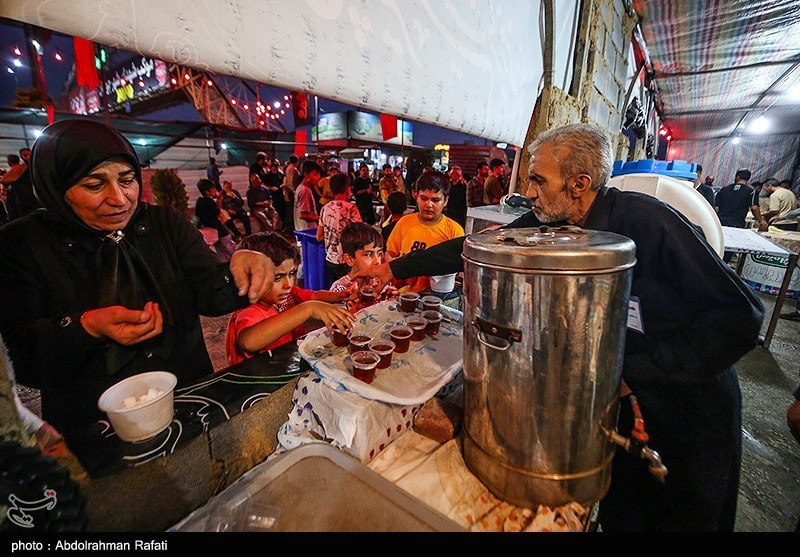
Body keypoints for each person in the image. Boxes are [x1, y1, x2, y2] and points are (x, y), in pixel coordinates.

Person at [357, 123, 764, 532]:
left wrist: (634, 374)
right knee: (622, 511)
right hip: (619, 398)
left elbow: (740, 316)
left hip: (687, 403)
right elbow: (470, 248)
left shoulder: (648, 222)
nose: (528, 192)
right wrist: (392, 269)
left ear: (579, 184)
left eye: (538, 180)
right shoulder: (553, 224)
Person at [0, 119, 276, 445]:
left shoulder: (164, 223)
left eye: (127, 180)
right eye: (94, 185)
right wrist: (86, 327)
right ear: (56, 187)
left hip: (187, 398)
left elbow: (210, 292)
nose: (119, 199)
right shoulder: (22, 244)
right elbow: (24, 358)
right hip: (93, 424)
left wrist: (240, 270)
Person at [225, 232, 355, 365]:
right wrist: (308, 308)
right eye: (277, 278)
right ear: (252, 278)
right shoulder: (250, 310)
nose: (288, 284)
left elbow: (314, 295)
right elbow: (248, 342)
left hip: (286, 360)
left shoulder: (287, 293)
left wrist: (340, 295)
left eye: (292, 274)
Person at [386, 169, 465, 293]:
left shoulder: (454, 230)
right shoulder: (404, 222)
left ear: (445, 201)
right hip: (401, 294)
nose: (428, 204)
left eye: (435, 200)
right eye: (423, 198)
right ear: (416, 196)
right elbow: (390, 253)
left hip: (436, 295)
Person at [330, 222, 398, 312]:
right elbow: (337, 320)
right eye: (369, 255)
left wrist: (392, 302)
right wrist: (358, 310)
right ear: (349, 259)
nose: (377, 261)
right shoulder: (339, 289)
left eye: (379, 254)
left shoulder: (381, 282)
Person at [316, 172, 362, 283]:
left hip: (330, 259)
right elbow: (360, 235)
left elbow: (319, 237)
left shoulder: (325, 208)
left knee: (334, 288)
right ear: (347, 189)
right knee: (348, 289)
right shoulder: (351, 208)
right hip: (346, 261)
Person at [293, 160, 322, 231]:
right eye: (315, 174)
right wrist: (321, 219)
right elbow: (302, 215)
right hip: (307, 229)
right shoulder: (305, 190)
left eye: (319, 174)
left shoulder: (302, 188)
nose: (318, 177)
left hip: (302, 228)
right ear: (306, 174)